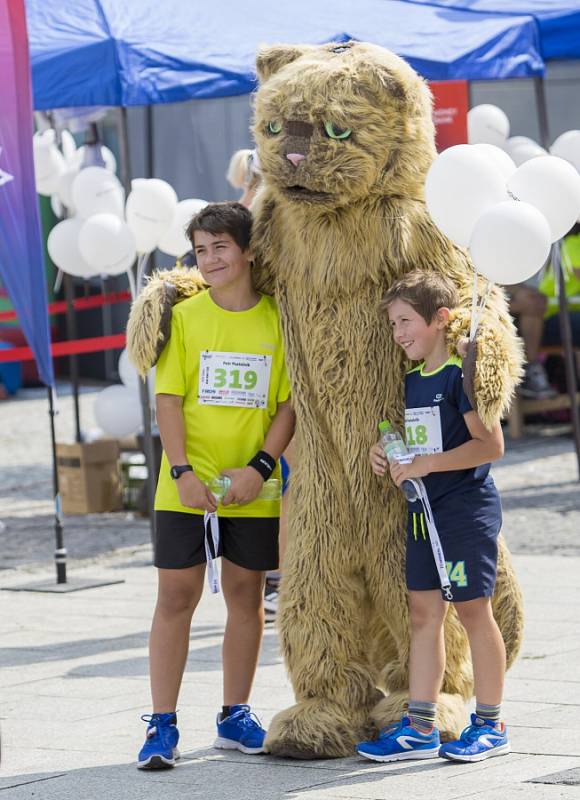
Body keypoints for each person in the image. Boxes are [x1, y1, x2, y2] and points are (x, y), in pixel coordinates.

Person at [137, 201, 295, 769]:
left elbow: (287, 405)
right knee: (174, 599)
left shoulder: (279, 317)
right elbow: (168, 401)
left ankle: (235, 714)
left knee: (247, 598)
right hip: (185, 488)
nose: (210, 259)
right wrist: (180, 473)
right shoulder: (185, 318)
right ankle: (161, 724)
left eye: (220, 247)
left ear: (248, 250)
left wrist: (259, 468)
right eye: (201, 250)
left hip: (253, 489)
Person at [357, 270, 509, 764]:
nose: (399, 333)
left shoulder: (463, 372)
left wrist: (426, 464)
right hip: (422, 513)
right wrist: (387, 453)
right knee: (423, 614)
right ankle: (421, 728)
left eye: (406, 322)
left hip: (463, 512)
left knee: (472, 612)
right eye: (394, 324)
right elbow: (423, 442)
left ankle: (491, 723)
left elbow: (490, 445)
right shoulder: (411, 379)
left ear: (441, 319)